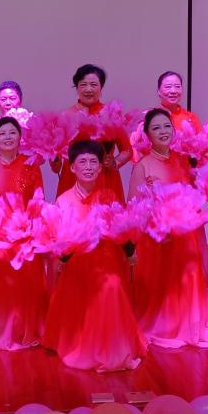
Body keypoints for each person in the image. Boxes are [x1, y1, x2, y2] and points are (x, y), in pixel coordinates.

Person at [42, 141, 148, 372]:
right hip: (77, 264)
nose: (88, 167)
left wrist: (130, 250)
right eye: (82, 162)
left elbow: (121, 229)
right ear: (72, 167)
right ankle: (82, 343)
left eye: (93, 162)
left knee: (112, 287)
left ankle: (112, 347)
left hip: (105, 262)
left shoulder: (109, 196)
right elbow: (58, 239)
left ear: (101, 167)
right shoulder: (63, 200)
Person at [128, 109, 208, 348]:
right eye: (156, 128)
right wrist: (156, 224)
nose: (163, 132)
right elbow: (134, 205)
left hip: (185, 234)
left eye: (167, 127)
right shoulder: (143, 166)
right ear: (147, 135)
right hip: (157, 235)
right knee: (165, 283)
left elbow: (197, 192)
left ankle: (191, 322)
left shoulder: (183, 160)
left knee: (190, 274)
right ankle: (168, 324)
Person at [0, 117, 47, 351]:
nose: (7, 137)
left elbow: (38, 200)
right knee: (3, 286)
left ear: (19, 137)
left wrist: (34, 230)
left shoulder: (31, 165)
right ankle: (3, 330)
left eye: (12, 132)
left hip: (25, 235)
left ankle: (26, 330)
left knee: (25, 286)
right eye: (2, 133)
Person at [155, 70, 208, 284]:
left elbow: (199, 149)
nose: (173, 90)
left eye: (177, 86)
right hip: (161, 179)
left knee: (188, 233)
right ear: (159, 90)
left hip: (184, 179)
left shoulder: (190, 117)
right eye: (168, 86)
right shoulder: (152, 116)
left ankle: (190, 282)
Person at [53, 64, 132, 202]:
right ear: (77, 88)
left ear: (101, 88)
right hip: (73, 178)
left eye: (93, 85)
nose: (88, 89)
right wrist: (53, 156)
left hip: (104, 178)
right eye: (83, 85)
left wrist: (114, 162)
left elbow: (127, 150)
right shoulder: (66, 116)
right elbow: (55, 168)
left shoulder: (111, 114)